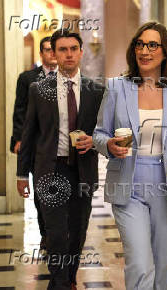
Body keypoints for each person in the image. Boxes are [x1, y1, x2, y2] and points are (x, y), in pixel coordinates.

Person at [93, 21, 167, 290]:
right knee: (140, 262)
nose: (144, 51)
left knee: (163, 263)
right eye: (140, 44)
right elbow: (99, 133)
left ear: (165, 51)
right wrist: (108, 145)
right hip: (128, 183)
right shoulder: (116, 87)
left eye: (152, 45)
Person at [17, 29, 104, 290]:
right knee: (55, 234)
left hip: (83, 170)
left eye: (73, 49)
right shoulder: (39, 90)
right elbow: (29, 133)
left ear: (81, 51)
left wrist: (96, 140)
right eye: (62, 49)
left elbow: (104, 130)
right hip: (50, 170)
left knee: (77, 232)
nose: (68, 54)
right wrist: (22, 174)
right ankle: (59, 283)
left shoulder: (95, 90)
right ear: (53, 54)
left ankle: (69, 278)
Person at [10, 36, 57, 250]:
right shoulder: (27, 79)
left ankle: (59, 233)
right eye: (47, 50)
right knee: (40, 192)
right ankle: (45, 233)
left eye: (54, 50)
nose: (52, 54)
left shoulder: (68, 78)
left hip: (61, 145)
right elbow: (20, 110)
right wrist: (18, 139)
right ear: (41, 54)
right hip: (36, 144)